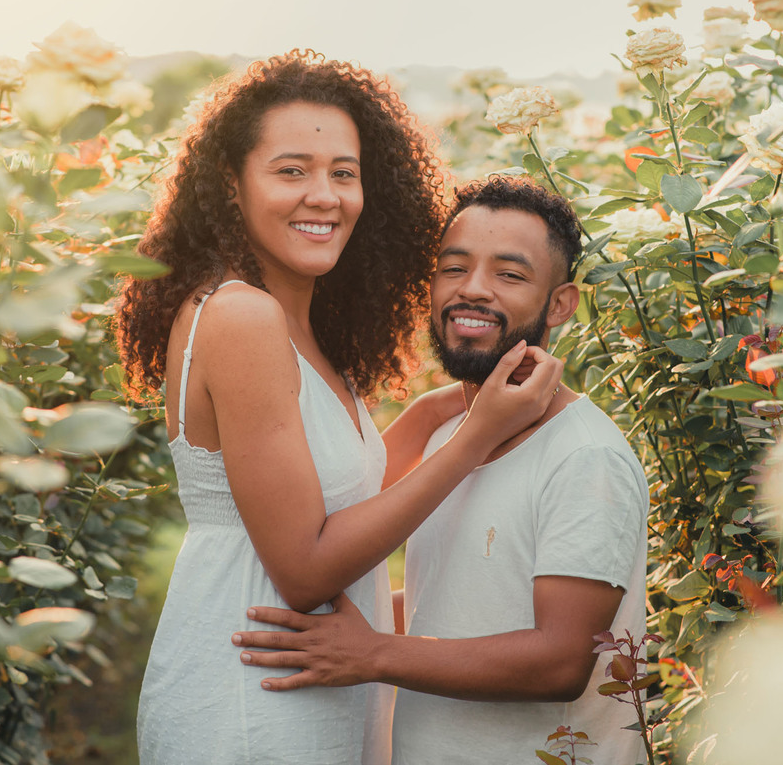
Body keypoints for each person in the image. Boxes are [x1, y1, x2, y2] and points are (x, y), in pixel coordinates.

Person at [114, 54, 564, 765]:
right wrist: (475, 437)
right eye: (291, 170)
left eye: (344, 173)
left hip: (305, 681)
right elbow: (305, 565)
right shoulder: (241, 317)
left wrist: (460, 399)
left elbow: (339, 497)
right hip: (251, 695)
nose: (324, 195)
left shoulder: (303, 328)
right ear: (231, 186)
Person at [233, 176, 650, 765]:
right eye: (453, 268)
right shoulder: (454, 435)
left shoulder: (585, 458)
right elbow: (444, 589)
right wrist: (434, 409)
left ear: (560, 303)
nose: (472, 290)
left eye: (509, 274)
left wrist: (373, 653)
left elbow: (559, 662)